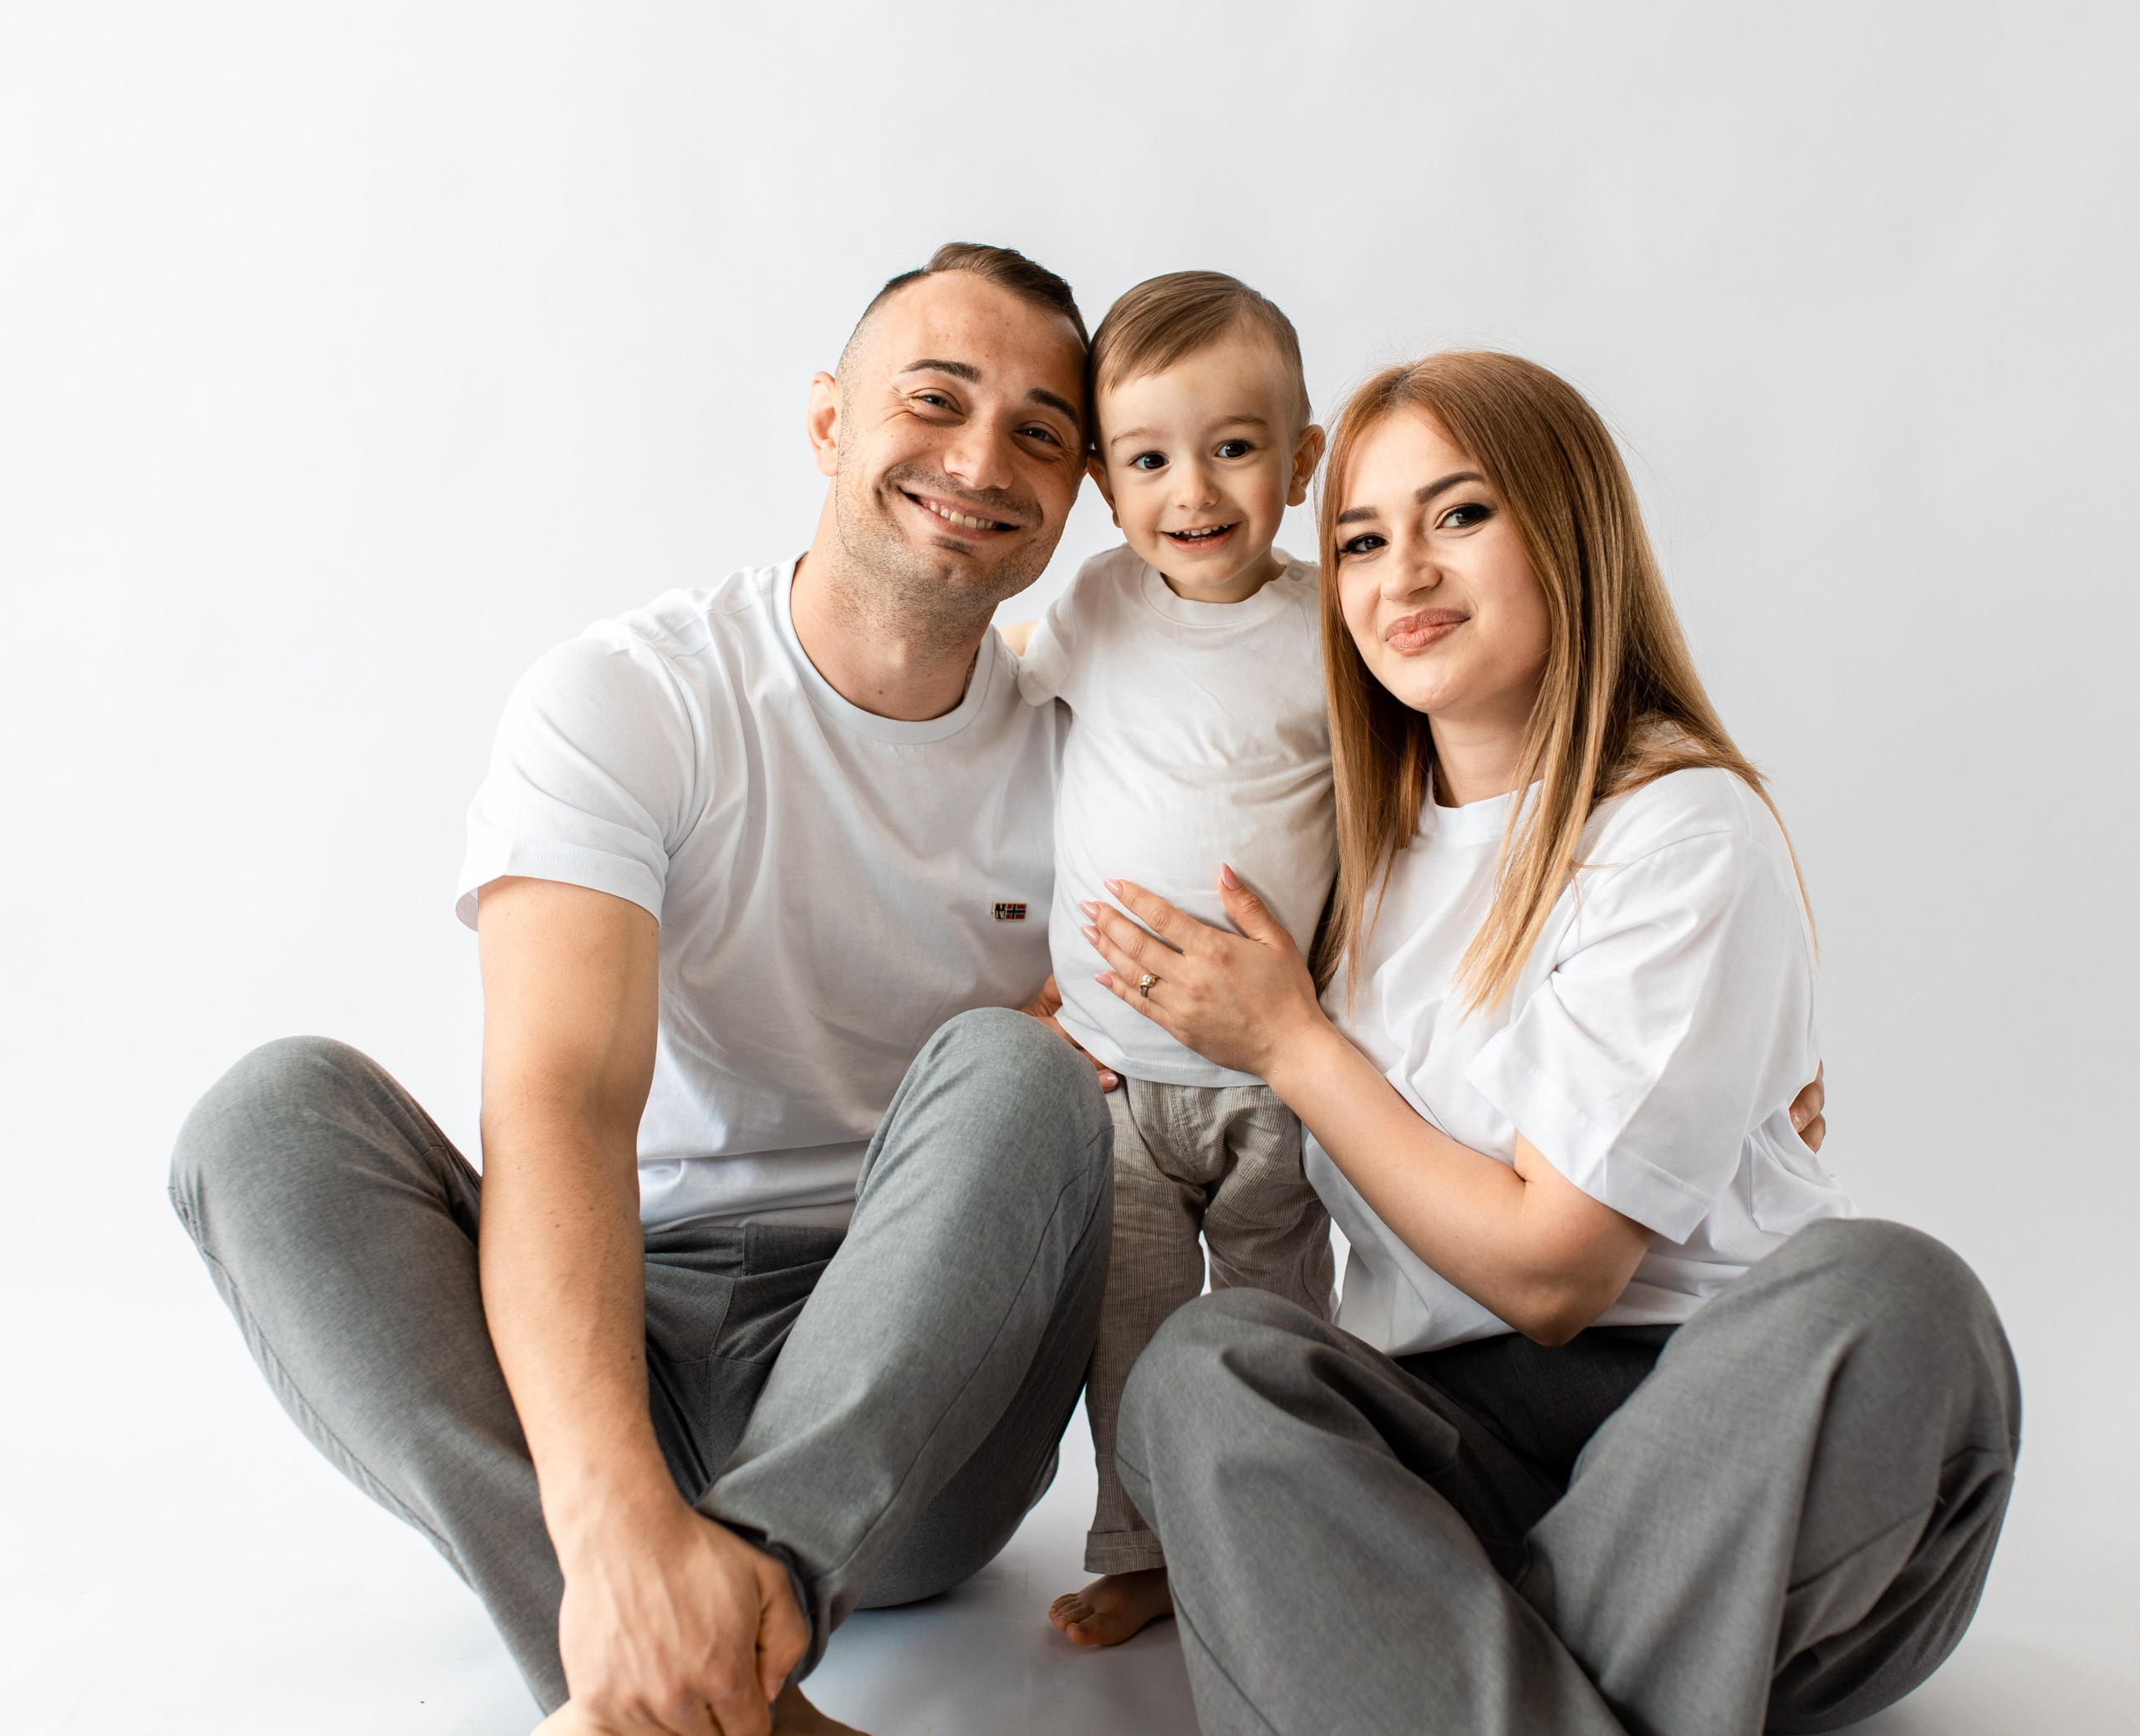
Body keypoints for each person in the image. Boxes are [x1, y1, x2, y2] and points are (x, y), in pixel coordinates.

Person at [168, 242, 1124, 1736]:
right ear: (828, 422)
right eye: (932, 400)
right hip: (620, 1347)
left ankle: (715, 1629)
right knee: (269, 1115)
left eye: (1040, 433)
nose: (979, 459)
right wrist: (614, 1512)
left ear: (1078, 492)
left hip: (919, 1404)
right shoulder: (632, 694)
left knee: (1021, 1074)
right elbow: (562, 1098)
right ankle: (700, 1661)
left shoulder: (1100, 752)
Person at [1079, 350, 2019, 1733]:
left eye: (1459, 515)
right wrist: (1061, 1000)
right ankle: (1497, 1666)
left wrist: (1297, 1047)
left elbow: (1554, 1271)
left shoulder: (1681, 829)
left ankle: (1405, 1659)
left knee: (1899, 1292)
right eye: (1358, 538)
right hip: (1461, 1443)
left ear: (1567, 536)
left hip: (1728, 1442)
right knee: (1205, 1372)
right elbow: (1119, 808)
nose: (1402, 573)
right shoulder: (1361, 857)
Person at [997, 271, 1338, 1649]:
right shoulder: (1096, 601)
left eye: (1236, 447)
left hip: (1276, 1078)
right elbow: (999, 713)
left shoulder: (1335, 630)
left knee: (1271, 1318)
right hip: (1116, 1076)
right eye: (1147, 459)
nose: (1191, 490)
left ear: (1303, 461)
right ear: (1100, 479)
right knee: (1126, 1328)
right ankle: (1143, 1543)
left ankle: (1272, 1530)